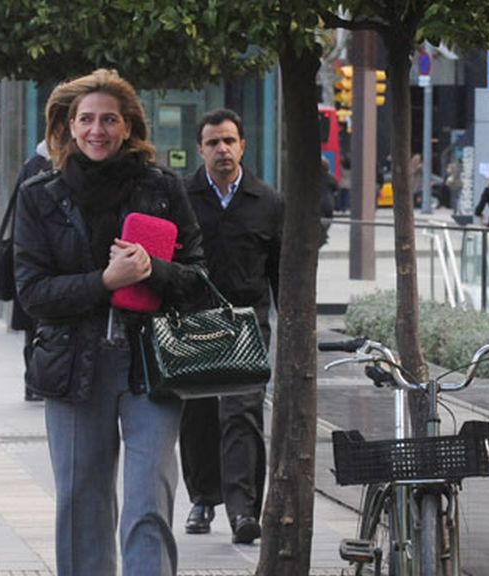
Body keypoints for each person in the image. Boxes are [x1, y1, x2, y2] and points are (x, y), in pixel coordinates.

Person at [14, 69, 206, 576]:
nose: (96, 130)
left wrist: (153, 270)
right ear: (69, 126)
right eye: (86, 119)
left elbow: (199, 278)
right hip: (72, 366)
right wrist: (105, 281)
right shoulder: (40, 194)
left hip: (151, 366)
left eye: (109, 120)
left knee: (148, 505)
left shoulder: (162, 188)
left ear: (128, 127)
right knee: (82, 503)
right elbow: (32, 294)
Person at [178, 108, 282, 545]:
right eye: (213, 143)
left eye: (229, 141)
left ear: (243, 146)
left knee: (242, 411)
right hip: (195, 319)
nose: (222, 149)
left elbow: (279, 273)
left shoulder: (268, 203)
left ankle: (243, 511)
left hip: (247, 323)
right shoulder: (182, 198)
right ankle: (203, 498)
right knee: (199, 413)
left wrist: (291, 327)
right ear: (200, 149)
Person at [12, 140, 54, 402]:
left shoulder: (31, 164)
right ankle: (36, 381)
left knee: (34, 329)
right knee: (39, 326)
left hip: (32, 264)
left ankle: (33, 382)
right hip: (39, 266)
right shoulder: (41, 170)